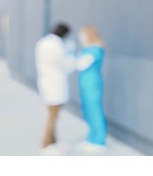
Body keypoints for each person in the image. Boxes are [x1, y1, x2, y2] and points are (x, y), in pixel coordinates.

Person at [35, 23, 75, 154]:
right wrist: (72, 57)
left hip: (47, 82)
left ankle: (53, 141)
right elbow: (64, 64)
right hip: (54, 84)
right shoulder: (56, 45)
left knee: (53, 114)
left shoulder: (43, 42)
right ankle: (46, 144)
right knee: (53, 115)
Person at [75, 25, 108, 153]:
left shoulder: (96, 49)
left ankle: (99, 140)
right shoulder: (87, 49)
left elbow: (80, 64)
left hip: (93, 84)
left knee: (95, 111)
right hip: (85, 84)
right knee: (88, 111)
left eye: (82, 35)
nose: (81, 38)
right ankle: (92, 138)